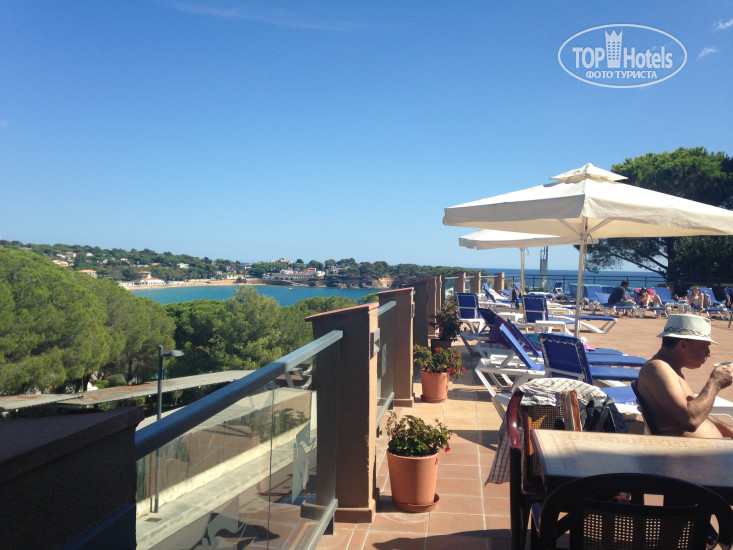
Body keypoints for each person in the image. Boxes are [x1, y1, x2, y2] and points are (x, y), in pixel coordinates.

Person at [637, 314, 733, 438]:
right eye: (705, 347)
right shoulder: (657, 368)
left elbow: (700, 412)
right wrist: (715, 383)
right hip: (688, 450)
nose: (708, 353)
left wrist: (729, 431)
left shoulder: (671, 370)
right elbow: (690, 420)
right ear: (683, 345)